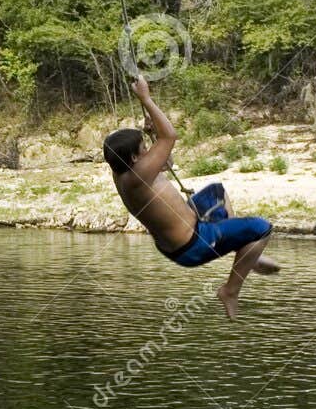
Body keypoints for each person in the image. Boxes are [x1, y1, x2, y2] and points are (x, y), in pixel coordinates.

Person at [103, 77, 278, 317]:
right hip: (194, 244)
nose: (148, 151)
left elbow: (166, 160)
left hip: (183, 235)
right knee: (262, 229)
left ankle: (245, 252)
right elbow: (170, 137)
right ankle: (230, 290)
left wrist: (152, 134)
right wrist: (146, 99)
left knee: (217, 191)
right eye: (144, 148)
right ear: (134, 158)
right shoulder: (138, 176)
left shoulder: (122, 171)